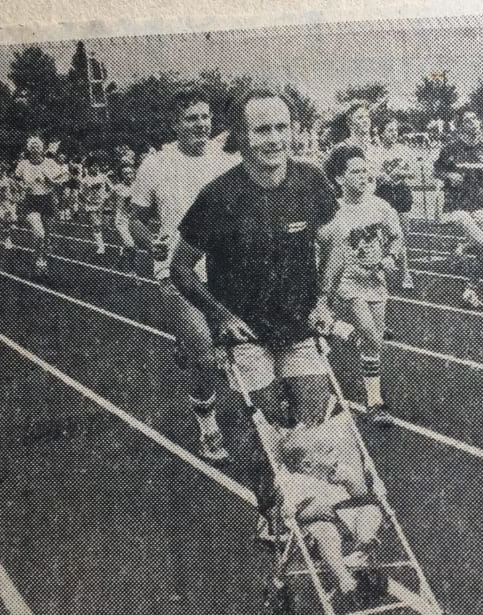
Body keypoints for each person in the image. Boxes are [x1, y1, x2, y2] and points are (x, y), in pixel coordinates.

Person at [169, 86, 340, 532]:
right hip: (246, 335)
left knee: (313, 427)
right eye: (262, 130)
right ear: (242, 137)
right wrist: (219, 315)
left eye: (282, 128)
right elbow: (181, 268)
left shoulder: (311, 181)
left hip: (300, 327)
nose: (274, 139)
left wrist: (324, 299)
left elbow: (335, 242)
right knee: (265, 431)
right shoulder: (219, 196)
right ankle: (269, 509)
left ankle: (309, 509)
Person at [129, 87, 241, 461]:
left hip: (225, 271)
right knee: (207, 359)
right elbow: (136, 218)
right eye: (192, 118)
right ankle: (207, 425)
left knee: (240, 345)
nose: (201, 124)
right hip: (177, 272)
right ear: (176, 123)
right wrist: (150, 243)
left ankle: (187, 345)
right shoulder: (156, 165)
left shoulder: (224, 161)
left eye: (205, 117)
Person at [322, 145, 404, 426]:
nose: (362, 176)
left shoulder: (379, 206)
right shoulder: (331, 211)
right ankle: (376, 401)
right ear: (339, 179)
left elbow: (396, 237)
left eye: (365, 171)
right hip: (345, 282)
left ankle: (373, 401)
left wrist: (392, 257)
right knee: (369, 331)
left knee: (374, 340)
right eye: (355, 172)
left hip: (375, 281)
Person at [275, 417, 384, 597]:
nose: (333, 452)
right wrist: (312, 511)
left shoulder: (339, 471)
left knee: (371, 510)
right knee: (326, 532)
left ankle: (363, 545)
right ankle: (343, 577)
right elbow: (292, 513)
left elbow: (362, 496)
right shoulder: (297, 482)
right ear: (307, 465)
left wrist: (350, 481)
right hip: (319, 526)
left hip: (349, 518)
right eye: (325, 451)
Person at [433, 110, 483, 309]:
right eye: (467, 120)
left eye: (474, 118)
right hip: (456, 206)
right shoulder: (451, 149)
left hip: (478, 204)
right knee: (480, 241)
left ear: (479, 123)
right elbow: (436, 171)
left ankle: (463, 254)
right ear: (461, 126)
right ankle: (468, 289)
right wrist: (448, 176)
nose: (472, 122)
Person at [14, 136, 66, 278]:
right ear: (29, 148)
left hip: (47, 199)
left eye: (38, 146)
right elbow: (16, 181)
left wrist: (51, 181)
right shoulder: (23, 164)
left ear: (42, 148)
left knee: (46, 236)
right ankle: (39, 262)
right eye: (33, 146)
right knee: (39, 233)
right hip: (31, 201)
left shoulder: (49, 162)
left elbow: (62, 179)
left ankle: (41, 259)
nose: (35, 148)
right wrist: (24, 187)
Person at [373, 118, 415, 290]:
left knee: (403, 235)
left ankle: (404, 271)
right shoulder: (375, 152)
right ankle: (399, 272)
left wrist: (401, 173)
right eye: (390, 130)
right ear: (382, 132)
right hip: (384, 194)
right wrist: (382, 176)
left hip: (401, 192)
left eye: (395, 130)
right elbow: (374, 174)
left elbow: (412, 172)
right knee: (385, 235)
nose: (394, 133)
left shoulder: (404, 150)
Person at [79, 157, 111, 255]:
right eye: (92, 167)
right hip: (91, 205)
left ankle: (102, 240)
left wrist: (106, 196)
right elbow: (80, 193)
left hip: (103, 204)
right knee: (96, 224)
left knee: (105, 225)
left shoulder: (103, 177)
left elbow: (111, 188)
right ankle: (100, 246)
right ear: (88, 168)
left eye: (96, 166)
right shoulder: (85, 180)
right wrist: (86, 201)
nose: (95, 168)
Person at [111, 163, 137, 273]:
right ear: (122, 175)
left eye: (130, 172)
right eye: (125, 173)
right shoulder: (119, 188)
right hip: (122, 220)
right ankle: (132, 270)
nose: (128, 175)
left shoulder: (137, 186)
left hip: (134, 220)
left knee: (129, 245)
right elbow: (119, 207)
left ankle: (119, 262)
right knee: (131, 245)